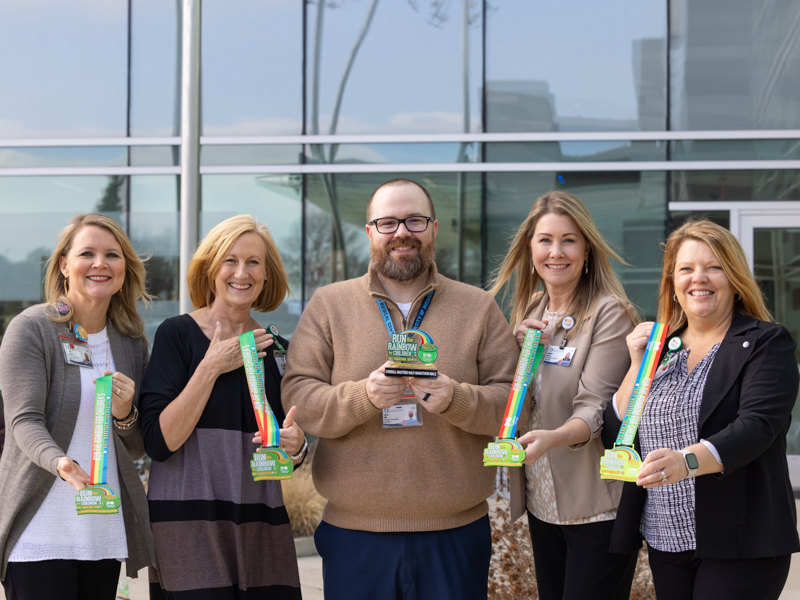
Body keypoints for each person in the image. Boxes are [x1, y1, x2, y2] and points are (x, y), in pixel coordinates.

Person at [282, 178, 519, 600]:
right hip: (355, 537)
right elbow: (298, 396)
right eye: (388, 222)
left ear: (434, 228)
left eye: (414, 220)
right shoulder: (329, 305)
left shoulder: (477, 306)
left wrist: (459, 400)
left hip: (456, 535)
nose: (402, 232)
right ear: (370, 231)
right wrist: (363, 398)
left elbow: (513, 404)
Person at [608, 219, 799, 600]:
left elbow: (757, 426)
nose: (700, 278)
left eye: (714, 267)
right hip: (666, 538)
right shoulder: (660, 351)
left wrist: (687, 461)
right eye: (686, 269)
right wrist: (635, 364)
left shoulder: (766, 342)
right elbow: (616, 433)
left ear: (734, 278)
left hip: (740, 540)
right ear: (672, 284)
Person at [139, 215, 306, 600]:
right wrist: (211, 366)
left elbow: (287, 444)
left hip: (260, 521)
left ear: (267, 275)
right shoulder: (176, 334)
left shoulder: (276, 349)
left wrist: (296, 447)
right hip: (188, 522)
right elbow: (158, 443)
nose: (241, 272)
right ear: (211, 268)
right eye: (230, 260)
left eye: (253, 262)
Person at [489, 191, 640, 600]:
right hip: (543, 503)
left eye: (569, 240)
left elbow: (595, 409)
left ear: (587, 248)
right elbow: (519, 401)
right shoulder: (530, 312)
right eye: (545, 240)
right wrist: (512, 352)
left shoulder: (611, 313)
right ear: (530, 248)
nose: (557, 252)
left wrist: (552, 438)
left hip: (596, 507)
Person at [0, 213, 154, 599]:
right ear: (64, 266)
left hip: (99, 531)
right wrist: (59, 462)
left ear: (124, 269)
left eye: (112, 255)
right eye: (87, 253)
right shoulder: (32, 328)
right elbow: (24, 421)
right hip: (39, 530)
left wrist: (125, 414)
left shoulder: (131, 343)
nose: (100, 263)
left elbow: (136, 445)